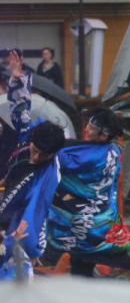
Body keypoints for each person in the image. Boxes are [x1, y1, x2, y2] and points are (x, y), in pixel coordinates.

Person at [43, 107, 130, 277]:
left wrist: (50, 142)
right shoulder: (113, 150)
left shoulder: (91, 155)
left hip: (83, 219)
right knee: (83, 262)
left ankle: (84, 297)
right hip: (100, 218)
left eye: (91, 128)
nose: (86, 129)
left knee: (81, 264)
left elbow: (63, 161)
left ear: (103, 135)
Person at [0, 64, 65, 280]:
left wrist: (32, 247)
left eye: (43, 156)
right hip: (4, 207)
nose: (35, 158)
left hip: (18, 225)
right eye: (34, 151)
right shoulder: (26, 140)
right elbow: (21, 113)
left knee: (16, 278)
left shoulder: (48, 176)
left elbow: (37, 210)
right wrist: (17, 82)